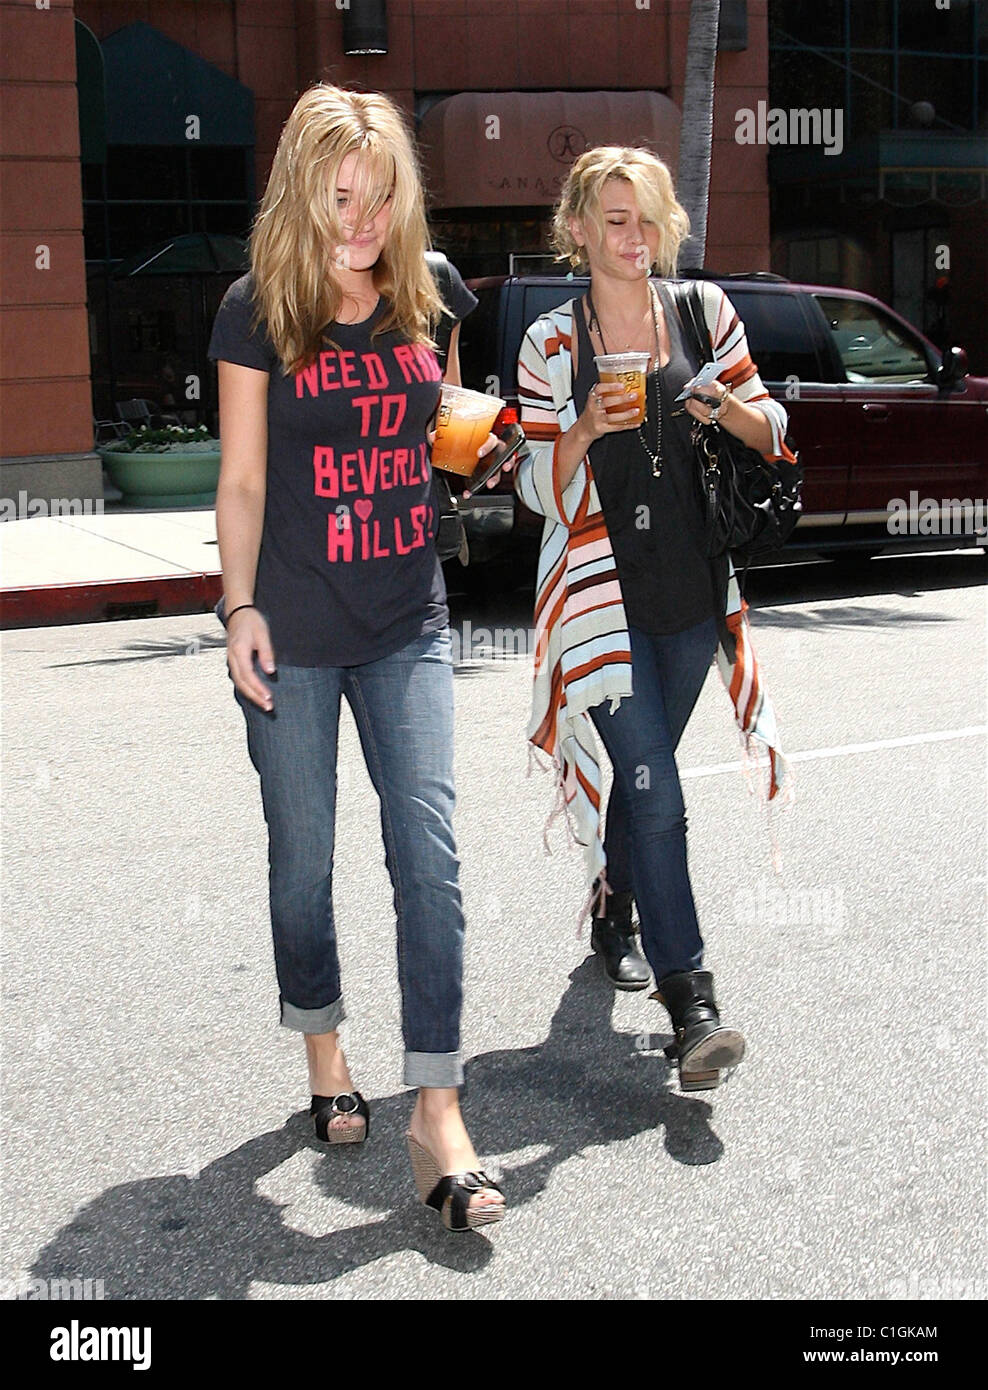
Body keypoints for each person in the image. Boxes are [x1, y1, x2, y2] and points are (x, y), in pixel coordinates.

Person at [208, 83, 506, 1231]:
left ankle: (438, 1106)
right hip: (290, 624)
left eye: (381, 198)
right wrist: (237, 607)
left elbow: (435, 424)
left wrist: (469, 455)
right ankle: (324, 1050)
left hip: (406, 621)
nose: (363, 223)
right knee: (303, 858)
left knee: (427, 856)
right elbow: (240, 478)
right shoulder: (257, 310)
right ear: (301, 190)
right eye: (343, 199)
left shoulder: (427, 294)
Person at [515, 146, 795, 1091]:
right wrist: (587, 426)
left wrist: (726, 410)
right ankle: (693, 1005)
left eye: (647, 219)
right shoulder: (553, 343)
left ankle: (614, 900)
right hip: (600, 604)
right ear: (581, 229)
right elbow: (533, 490)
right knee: (659, 791)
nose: (633, 238)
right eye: (614, 220)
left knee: (645, 785)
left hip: (691, 599)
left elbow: (774, 428)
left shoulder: (703, 313)